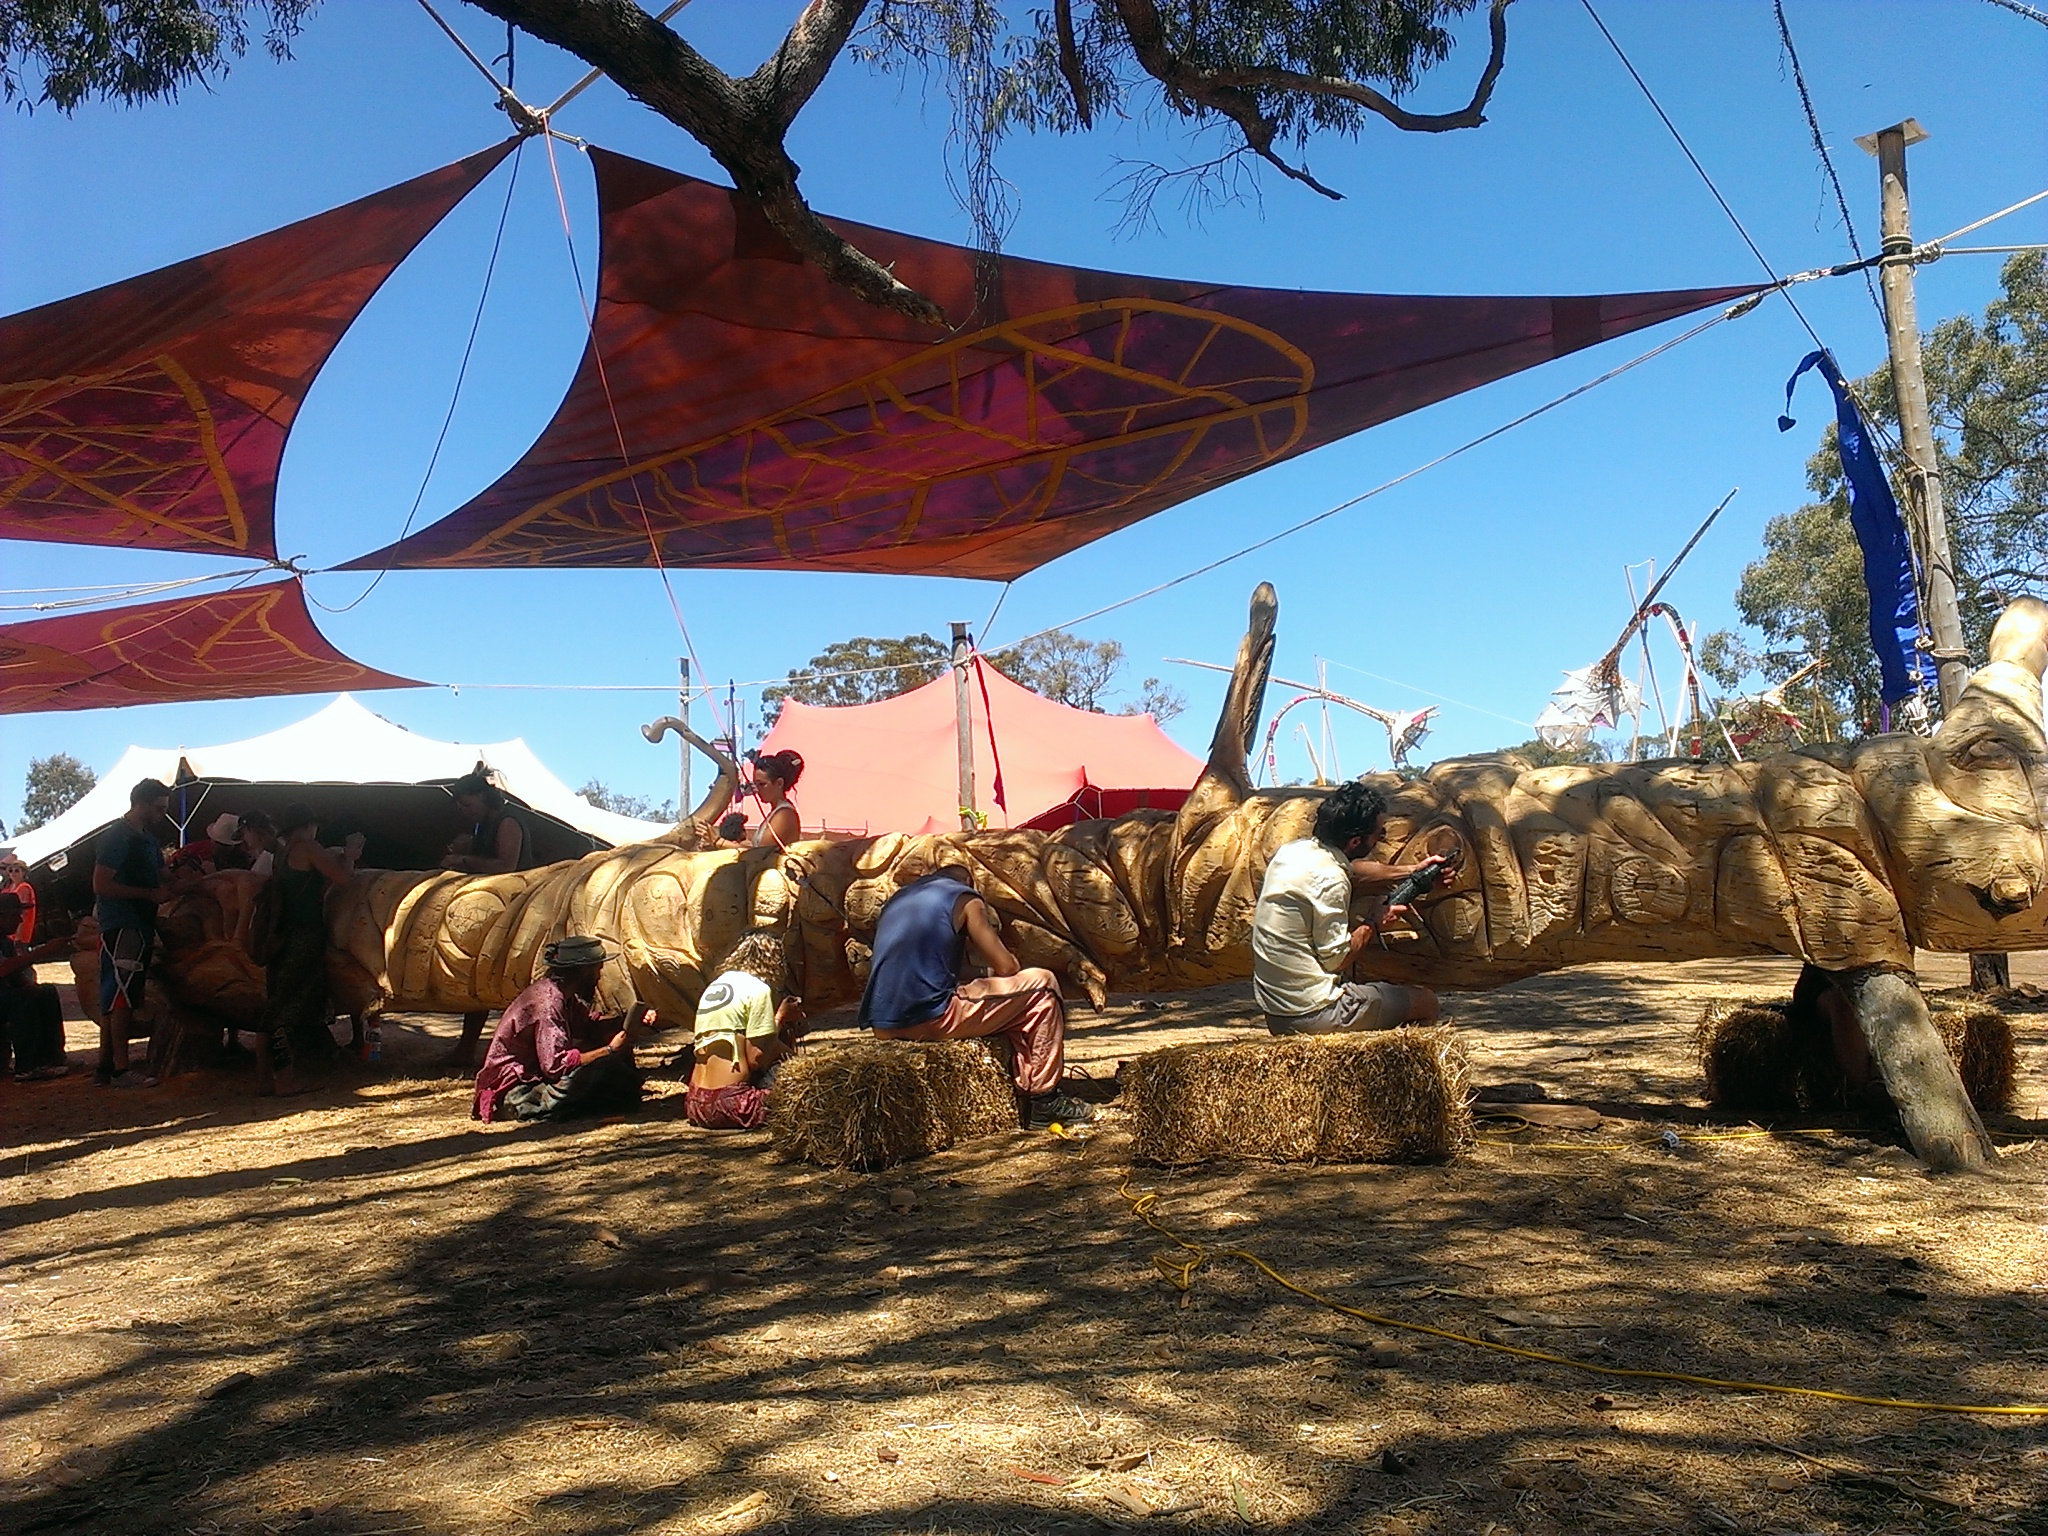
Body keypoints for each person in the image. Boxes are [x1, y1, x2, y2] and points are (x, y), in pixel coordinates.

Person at [859, 863, 1095, 1130]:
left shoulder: (898, 900)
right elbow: (1007, 968)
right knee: (1043, 986)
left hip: (883, 1025)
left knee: (1013, 1005)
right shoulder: (965, 898)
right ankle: (1045, 1100)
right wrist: (1010, 963)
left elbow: (943, 967)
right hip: (932, 1015)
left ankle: (1024, 1086)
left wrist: (985, 972)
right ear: (969, 883)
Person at [1251, 780, 1445, 1035]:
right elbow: (1337, 960)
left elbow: (1355, 872)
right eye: (1380, 834)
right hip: (1313, 1013)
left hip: (1277, 1013)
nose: (1381, 839)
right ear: (1355, 841)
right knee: (1425, 1002)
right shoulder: (1331, 879)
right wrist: (1373, 923)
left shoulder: (1292, 853)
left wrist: (1413, 873)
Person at [472, 935, 651, 1123]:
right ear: (583, 972)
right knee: (603, 1067)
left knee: (611, 1063)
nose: (599, 977)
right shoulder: (548, 1004)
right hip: (518, 1087)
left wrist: (631, 1020)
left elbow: (588, 1026)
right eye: (597, 970)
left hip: (536, 1077)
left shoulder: (565, 996)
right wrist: (609, 1050)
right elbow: (554, 1067)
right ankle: (523, 1107)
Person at [251, 804, 362, 1096]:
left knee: (275, 1003)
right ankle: (285, 1079)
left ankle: (264, 1079)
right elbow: (344, 879)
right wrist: (350, 855)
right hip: (304, 934)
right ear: (310, 822)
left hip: (282, 935)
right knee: (286, 1009)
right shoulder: (309, 847)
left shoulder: (283, 853)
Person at [91, 778, 180, 1087]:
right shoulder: (118, 837)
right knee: (120, 995)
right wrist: (147, 894)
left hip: (139, 923)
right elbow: (101, 884)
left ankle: (106, 1065)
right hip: (123, 922)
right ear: (141, 803)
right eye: (159, 807)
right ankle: (120, 1069)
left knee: (120, 993)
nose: (163, 813)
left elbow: (163, 876)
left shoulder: (148, 841)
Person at [685, 929, 806, 1130]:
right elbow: (757, 1057)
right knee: (806, 1093)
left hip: (695, 1104)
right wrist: (781, 1018)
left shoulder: (715, 986)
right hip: (732, 1105)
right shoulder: (758, 989)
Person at [0, 891, 69, 1079]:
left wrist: (30, 987)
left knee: (44, 992)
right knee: (20, 1001)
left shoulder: (5, 943)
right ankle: (28, 1064)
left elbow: (13, 975)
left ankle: (52, 1057)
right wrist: (39, 954)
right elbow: (3, 969)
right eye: (16, 915)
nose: (20, 920)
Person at [442, 772, 533, 875]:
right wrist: (466, 848)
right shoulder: (483, 824)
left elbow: (506, 867)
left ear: (483, 796)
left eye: (467, 805)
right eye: (461, 809)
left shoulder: (507, 822)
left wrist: (463, 860)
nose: (465, 812)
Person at [716, 750, 803, 850]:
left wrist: (719, 842)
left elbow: (759, 853)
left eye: (762, 784)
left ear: (779, 783)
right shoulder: (776, 812)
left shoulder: (784, 814)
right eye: (755, 784)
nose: (757, 789)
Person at [1, 851, 38, 945]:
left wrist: (18, 935)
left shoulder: (24, 887)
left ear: (23, 872)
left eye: (16, 871)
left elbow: (22, 913)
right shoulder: (9, 887)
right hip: (9, 932)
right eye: (11, 871)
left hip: (19, 932)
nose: (13, 873)